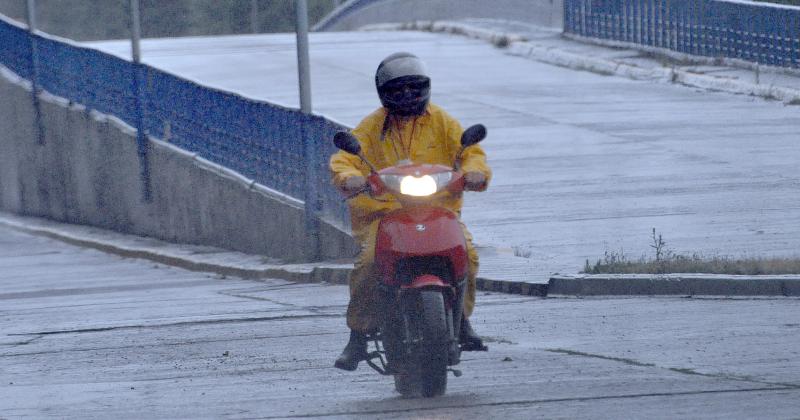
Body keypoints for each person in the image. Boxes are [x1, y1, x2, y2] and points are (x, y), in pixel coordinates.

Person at [329, 52, 492, 371]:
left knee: (468, 255)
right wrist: (350, 178)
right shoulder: (371, 127)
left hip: (438, 211)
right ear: (383, 93)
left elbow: (469, 152)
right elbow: (345, 159)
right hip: (384, 215)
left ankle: (461, 321)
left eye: (413, 88)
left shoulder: (443, 122)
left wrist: (475, 172)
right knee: (368, 263)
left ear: (426, 88)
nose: (406, 96)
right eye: (397, 90)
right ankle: (358, 335)